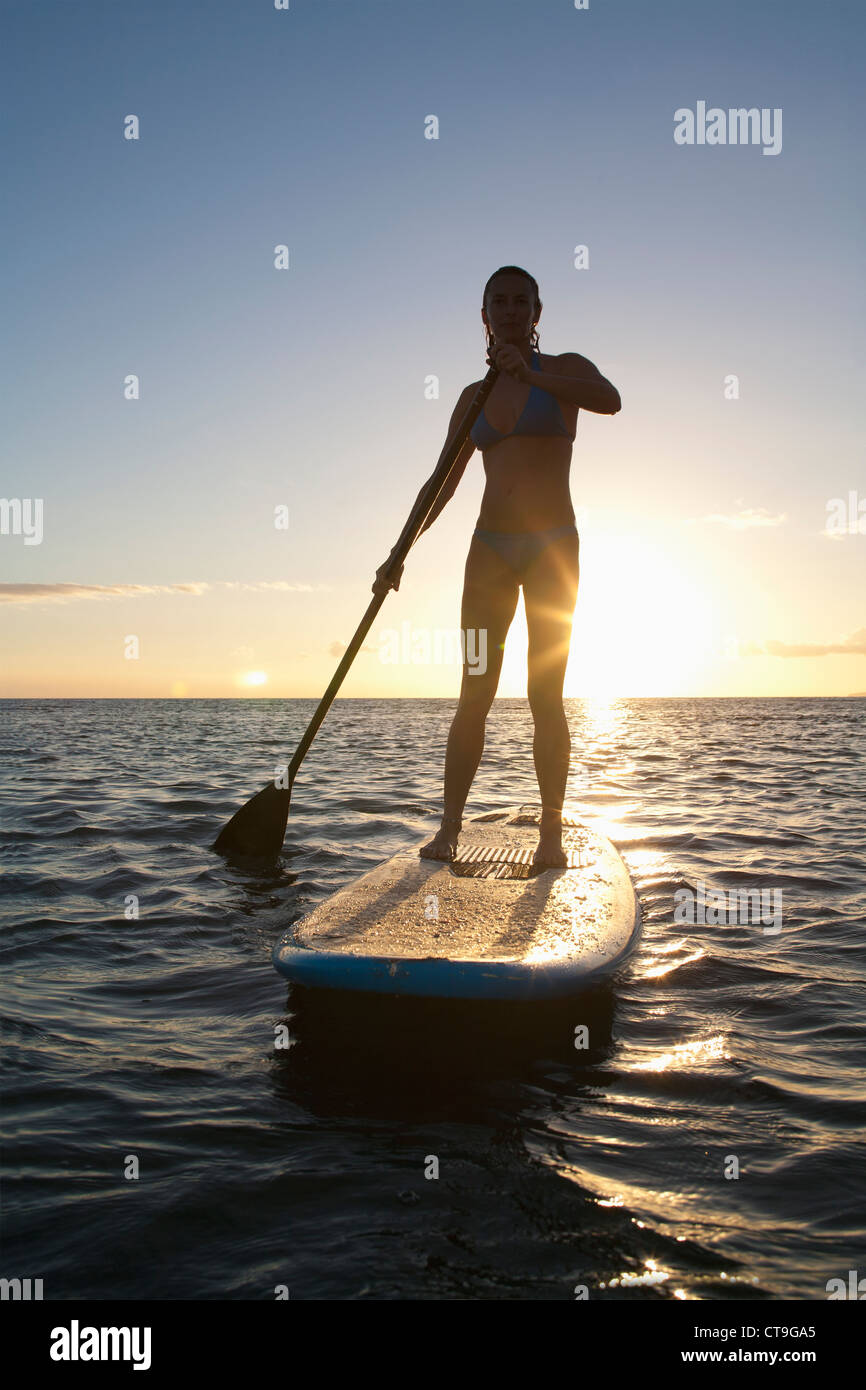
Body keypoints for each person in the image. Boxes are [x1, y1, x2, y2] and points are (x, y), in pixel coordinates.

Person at [373, 266, 621, 866]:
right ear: (484, 315)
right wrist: (398, 552)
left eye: (521, 301)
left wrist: (531, 373)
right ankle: (449, 829)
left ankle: (551, 837)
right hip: (488, 557)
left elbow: (611, 400)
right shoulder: (471, 398)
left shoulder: (565, 370)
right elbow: (442, 483)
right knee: (474, 691)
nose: (510, 310)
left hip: (551, 557)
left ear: (537, 313)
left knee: (545, 695)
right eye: (498, 302)